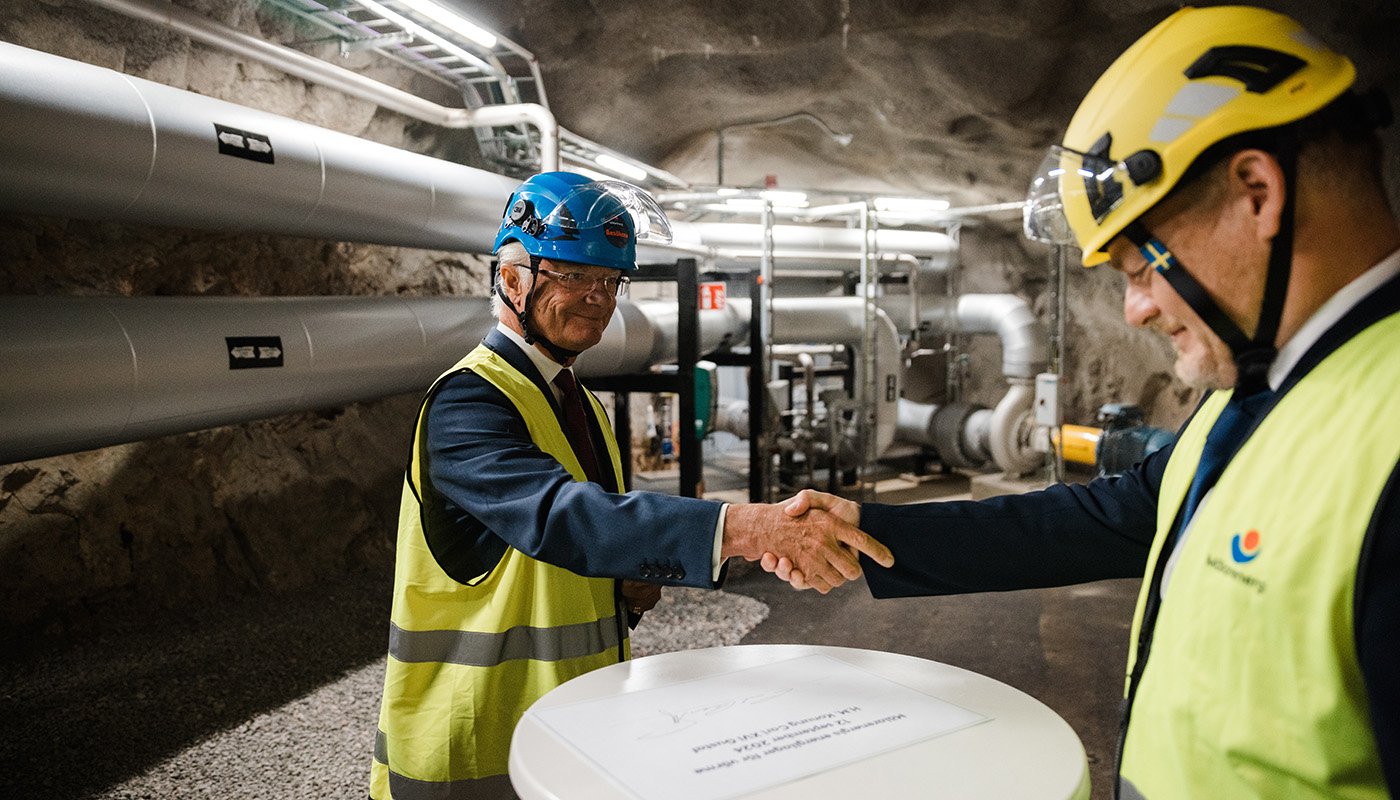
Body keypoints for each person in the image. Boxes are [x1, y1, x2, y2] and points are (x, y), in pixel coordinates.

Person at [771, 6, 1399, 797]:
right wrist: (875, 531)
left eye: (1140, 266)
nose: (1136, 309)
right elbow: (1108, 517)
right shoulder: (1260, 385)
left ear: (1256, 191)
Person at [369, 171, 893, 799]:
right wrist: (751, 526)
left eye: (609, 281)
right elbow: (560, 516)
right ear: (510, 279)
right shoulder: (468, 404)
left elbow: (591, 535)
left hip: (567, 727)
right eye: (573, 277)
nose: (598, 298)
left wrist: (627, 578)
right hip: (472, 745)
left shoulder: (581, 403)